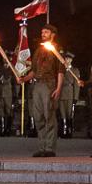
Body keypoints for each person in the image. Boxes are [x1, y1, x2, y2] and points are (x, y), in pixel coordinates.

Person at [22, 26, 65, 157]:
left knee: (49, 116)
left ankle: (49, 148)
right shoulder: (39, 50)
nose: (43, 34)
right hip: (38, 85)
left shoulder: (57, 50)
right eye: (42, 32)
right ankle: (42, 147)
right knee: (38, 116)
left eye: (46, 32)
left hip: (49, 84)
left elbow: (60, 71)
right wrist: (24, 78)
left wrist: (58, 88)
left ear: (53, 34)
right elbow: (34, 70)